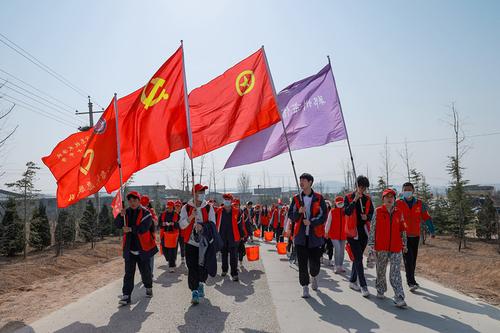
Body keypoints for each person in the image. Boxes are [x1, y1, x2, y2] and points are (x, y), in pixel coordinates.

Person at [288, 173, 327, 298]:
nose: (301, 183)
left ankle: (314, 276)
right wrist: (298, 212)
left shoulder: (319, 198)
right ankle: (305, 286)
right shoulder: (296, 199)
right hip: (300, 237)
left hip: (314, 237)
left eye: (304, 180)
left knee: (315, 264)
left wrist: (312, 222)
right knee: (302, 264)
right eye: (300, 180)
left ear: (310, 182)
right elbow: (291, 215)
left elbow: (323, 216)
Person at [115, 191, 158, 305]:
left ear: (139, 201)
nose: (132, 203)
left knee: (145, 272)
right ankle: (126, 295)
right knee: (129, 273)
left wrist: (130, 229)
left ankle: (148, 287)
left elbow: (143, 228)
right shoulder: (126, 212)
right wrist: (121, 215)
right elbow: (118, 225)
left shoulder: (146, 213)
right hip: (130, 248)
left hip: (143, 248)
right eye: (130, 201)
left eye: (135, 200)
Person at [368, 188, 408, 308]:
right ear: (383, 199)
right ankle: (380, 289)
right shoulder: (378, 211)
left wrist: (404, 244)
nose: (389, 199)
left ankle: (399, 296)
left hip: (396, 247)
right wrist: (371, 245)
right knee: (381, 270)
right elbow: (373, 228)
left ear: (394, 199)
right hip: (381, 247)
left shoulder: (399, 212)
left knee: (395, 272)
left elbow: (403, 229)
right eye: (387, 197)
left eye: (392, 197)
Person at [179, 184, 216, 305]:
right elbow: (182, 225)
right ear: (193, 193)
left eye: (203, 192)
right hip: (190, 243)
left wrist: (202, 226)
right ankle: (194, 291)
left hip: (204, 244)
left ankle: (201, 283)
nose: (202, 194)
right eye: (199, 192)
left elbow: (213, 225)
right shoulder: (186, 208)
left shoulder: (209, 208)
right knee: (192, 267)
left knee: (203, 266)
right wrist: (191, 218)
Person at [396, 182, 435, 291]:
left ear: (413, 191)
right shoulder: (398, 203)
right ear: (402, 191)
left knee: (413, 260)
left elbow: (426, 217)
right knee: (408, 259)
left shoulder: (419, 203)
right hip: (403, 236)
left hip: (415, 235)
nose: (407, 191)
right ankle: (411, 282)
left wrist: (432, 230)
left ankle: (411, 279)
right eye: (405, 190)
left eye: (409, 189)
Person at [344, 175, 374, 298]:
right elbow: (346, 211)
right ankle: (363, 285)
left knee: (358, 257)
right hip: (352, 232)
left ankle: (352, 281)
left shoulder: (367, 199)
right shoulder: (348, 197)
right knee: (358, 258)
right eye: (360, 187)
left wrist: (366, 217)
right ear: (356, 186)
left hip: (363, 232)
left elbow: (372, 214)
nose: (362, 189)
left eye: (364, 187)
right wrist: (355, 200)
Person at [217, 193, 244, 281]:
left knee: (234, 256)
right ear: (223, 200)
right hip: (222, 236)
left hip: (234, 237)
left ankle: (234, 273)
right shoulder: (219, 211)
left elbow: (240, 225)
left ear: (231, 201)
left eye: (228, 199)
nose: (226, 201)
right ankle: (224, 270)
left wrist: (242, 236)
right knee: (223, 254)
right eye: (225, 199)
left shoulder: (237, 211)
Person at [324, 196, 347, 273]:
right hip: (334, 234)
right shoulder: (332, 211)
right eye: (339, 203)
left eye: (341, 202)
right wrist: (326, 232)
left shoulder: (345, 211)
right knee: (337, 249)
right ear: (335, 203)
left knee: (342, 251)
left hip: (343, 234)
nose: (340, 204)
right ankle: (336, 266)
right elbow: (328, 222)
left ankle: (340, 266)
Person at [159, 200, 181, 272]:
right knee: (165, 249)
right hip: (164, 234)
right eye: (168, 207)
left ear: (173, 207)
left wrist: (173, 224)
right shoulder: (162, 215)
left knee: (172, 250)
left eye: (171, 207)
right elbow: (159, 224)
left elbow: (179, 225)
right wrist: (163, 224)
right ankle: (170, 260)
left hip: (174, 235)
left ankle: (171, 266)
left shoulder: (177, 215)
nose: (169, 209)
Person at [140, 195, 158, 277]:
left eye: (145, 204)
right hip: (140, 238)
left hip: (150, 237)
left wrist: (150, 218)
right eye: (142, 204)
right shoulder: (137, 211)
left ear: (148, 204)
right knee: (142, 257)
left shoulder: (151, 211)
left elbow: (156, 222)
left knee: (150, 256)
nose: (144, 205)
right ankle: (144, 273)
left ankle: (150, 273)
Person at [174, 200, 186, 266]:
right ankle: (174, 259)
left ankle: (182, 258)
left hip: (182, 233)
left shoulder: (183, 214)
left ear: (181, 206)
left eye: (178, 206)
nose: (177, 207)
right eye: (176, 206)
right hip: (175, 233)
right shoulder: (173, 214)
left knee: (182, 246)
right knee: (174, 247)